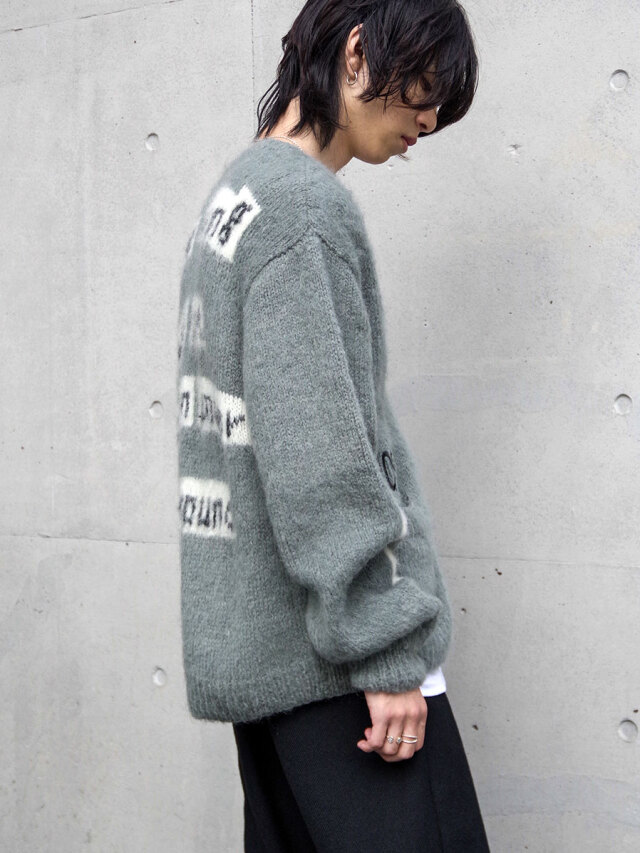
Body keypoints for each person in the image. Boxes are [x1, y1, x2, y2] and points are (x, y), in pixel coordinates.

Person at [176, 0, 490, 849]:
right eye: (425, 88)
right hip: (338, 673)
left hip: (269, 664)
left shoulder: (238, 198)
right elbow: (318, 455)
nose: (429, 119)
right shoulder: (301, 212)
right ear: (357, 53)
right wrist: (385, 650)